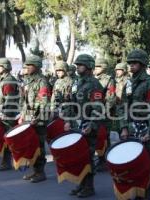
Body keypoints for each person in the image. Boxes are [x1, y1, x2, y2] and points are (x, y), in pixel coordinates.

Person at [118, 49, 150, 199]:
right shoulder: (129, 83)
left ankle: (144, 197)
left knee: (144, 167)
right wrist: (123, 127)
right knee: (130, 167)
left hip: (144, 129)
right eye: (130, 63)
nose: (131, 66)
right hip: (130, 128)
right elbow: (123, 106)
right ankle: (133, 193)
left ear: (142, 64)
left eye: (135, 63)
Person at [67, 54, 104, 198]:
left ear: (89, 67)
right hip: (78, 124)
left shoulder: (95, 85)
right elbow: (70, 102)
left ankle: (89, 187)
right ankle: (81, 184)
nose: (77, 67)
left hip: (88, 125)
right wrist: (68, 120)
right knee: (78, 157)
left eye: (80, 65)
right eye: (77, 65)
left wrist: (92, 124)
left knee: (87, 157)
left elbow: (98, 107)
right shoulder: (77, 82)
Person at [18, 55, 51, 183]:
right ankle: (35, 171)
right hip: (29, 118)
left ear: (36, 67)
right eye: (26, 65)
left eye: (29, 65)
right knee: (31, 145)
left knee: (39, 146)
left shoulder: (42, 81)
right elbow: (25, 102)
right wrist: (22, 115)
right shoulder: (29, 81)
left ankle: (40, 172)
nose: (26, 68)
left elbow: (44, 102)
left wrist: (36, 118)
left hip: (39, 120)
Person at [0, 58, 19, 171]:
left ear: (5, 67)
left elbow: (10, 101)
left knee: (7, 138)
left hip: (7, 116)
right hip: (0, 114)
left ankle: (7, 162)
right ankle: (5, 161)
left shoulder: (9, 81)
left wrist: (4, 114)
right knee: (3, 138)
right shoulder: (0, 80)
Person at [94, 58, 116, 171]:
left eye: (98, 66)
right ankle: (101, 157)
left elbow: (111, 97)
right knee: (97, 136)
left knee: (105, 135)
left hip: (104, 113)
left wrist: (104, 110)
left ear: (103, 68)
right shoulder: (93, 79)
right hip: (93, 112)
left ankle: (106, 160)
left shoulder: (109, 80)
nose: (95, 68)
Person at [50, 61, 74, 127]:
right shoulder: (57, 81)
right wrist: (52, 109)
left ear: (65, 70)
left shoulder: (69, 81)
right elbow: (53, 96)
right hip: (56, 111)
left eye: (60, 70)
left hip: (66, 113)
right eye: (57, 70)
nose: (58, 72)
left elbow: (69, 101)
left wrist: (67, 119)